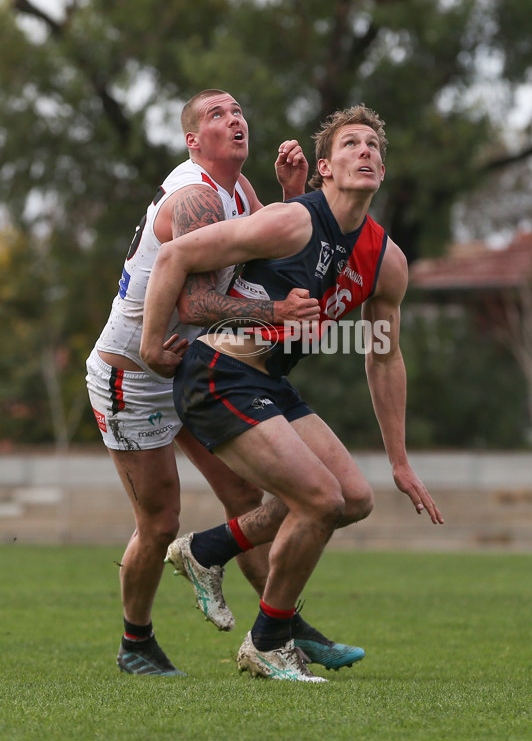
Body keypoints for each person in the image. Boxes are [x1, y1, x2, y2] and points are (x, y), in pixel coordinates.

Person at [140, 104, 444, 682]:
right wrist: (154, 344)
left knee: (353, 498)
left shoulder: (388, 261)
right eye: (352, 145)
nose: (367, 152)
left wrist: (401, 463)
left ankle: (206, 549)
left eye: (374, 147)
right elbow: (178, 255)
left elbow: (383, 355)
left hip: (269, 381)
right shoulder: (292, 223)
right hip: (219, 373)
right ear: (325, 168)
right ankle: (269, 641)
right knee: (321, 502)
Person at [85, 89, 360, 677]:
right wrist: (276, 316)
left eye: (238, 110)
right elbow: (199, 299)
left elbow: (268, 251)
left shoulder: (237, 189)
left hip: (186, 362)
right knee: (159, 523)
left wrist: (291, 195)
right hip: (134, 375)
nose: (234, 119)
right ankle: (136, 642)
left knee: (250, 499)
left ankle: (281, 624)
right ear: (192, 141)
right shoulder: (194, 198)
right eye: (217, 115)